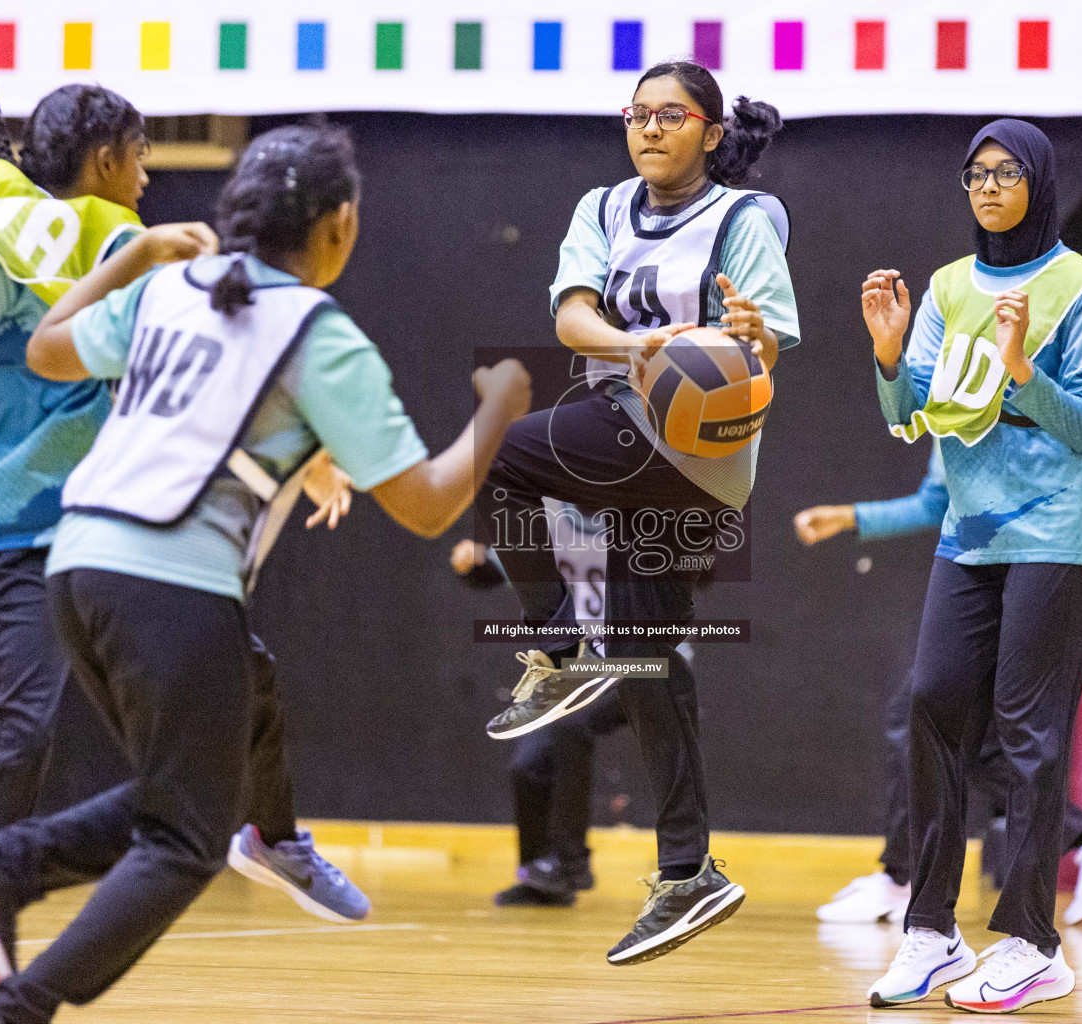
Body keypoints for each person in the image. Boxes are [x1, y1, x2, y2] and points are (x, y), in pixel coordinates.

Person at [0, 122, 531, 1023]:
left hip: (77, 567)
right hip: (171, 584)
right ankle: (14, 991)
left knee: (190, 786)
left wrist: (134, 260)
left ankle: (1, 866)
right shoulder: (320, 334)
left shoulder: (171, 288)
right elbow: (430, 503)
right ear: (340, 225)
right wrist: (503, 408)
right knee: (184, 838)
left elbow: (47, 347)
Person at [0, 75, 368, 1024]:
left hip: (120, 530)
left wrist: (315, 461)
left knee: (247, 688)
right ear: (107, 159)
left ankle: (271, 836)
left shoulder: (127, 262)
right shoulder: (1, 262)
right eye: (142, 156)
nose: (148, 177)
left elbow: (219, 357)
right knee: (28, 738)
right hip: (22, 538)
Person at [475, 59, 797, 965]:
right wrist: (640, 344)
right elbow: (574, 318)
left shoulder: (744, 220)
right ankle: (689, 870)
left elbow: (771, 339)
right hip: (625, 419)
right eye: (638, 114)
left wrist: (746, 337)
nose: (651, 128)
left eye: (672, 114)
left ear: (710, 130)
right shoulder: (603, 207)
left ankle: (559, 649)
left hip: (699, 454)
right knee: (650, 661)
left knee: (505, 455)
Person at [860, 119, 1082, 1012]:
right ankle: (930, 932)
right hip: (970, 535)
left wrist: (1019, 369)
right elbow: (915, 416)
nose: (986, 186)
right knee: (934, 703)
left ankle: (1032, 943)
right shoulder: (943, 285)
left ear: (1039, 183)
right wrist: (892, 356)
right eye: (974, 173)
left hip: (1056, 535)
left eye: (1005, 173)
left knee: (1028, 734)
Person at [795, 451, 1082, 929]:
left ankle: (906, 880)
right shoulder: (935, 396)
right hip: (985, 569)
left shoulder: (1008, 395)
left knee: (927, 719)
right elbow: (935, 501)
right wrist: (852, 517)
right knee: (956, 733)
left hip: (1028, 569)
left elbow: (1067, 441)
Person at [452, 504, 632, 908]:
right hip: (583, 672)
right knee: (528, 765)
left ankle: (570, 864)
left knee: (573, 726)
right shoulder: (555, 525)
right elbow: (495, 569)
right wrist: (474, 563)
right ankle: (539, 877)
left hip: (646, 664)